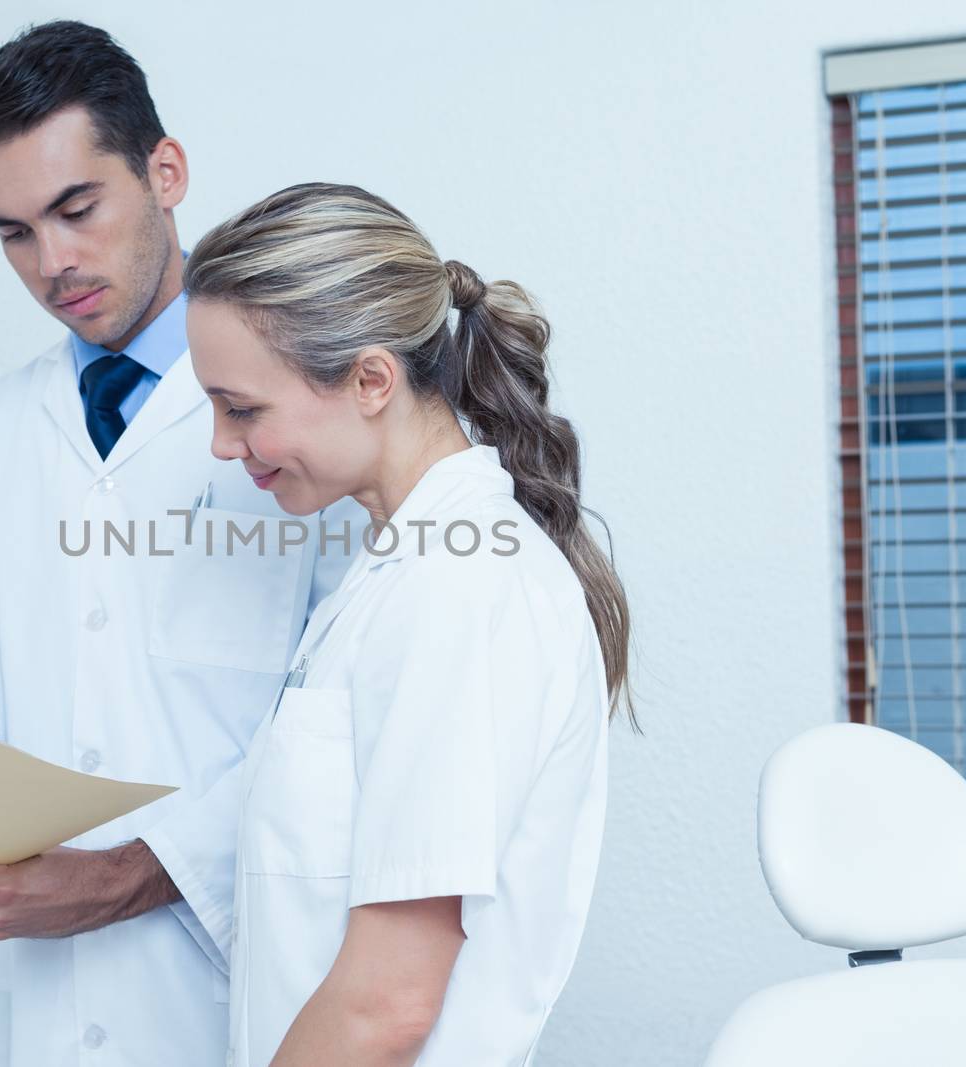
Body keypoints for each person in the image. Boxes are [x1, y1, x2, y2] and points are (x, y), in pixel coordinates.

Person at [0, 25, 357, 1067]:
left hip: (221, 978)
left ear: (165, 172)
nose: (52, 264)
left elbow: (346, 709)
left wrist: (127, 872)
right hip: (32, 998)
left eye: (75, 209)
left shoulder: (305, 412)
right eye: (12, 232)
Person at [182, 182, 634, 1066]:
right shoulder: (399, 572)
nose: (220, 444)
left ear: (372, 379)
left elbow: (386, 1004)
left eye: (241, 408)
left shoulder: (461, 588)